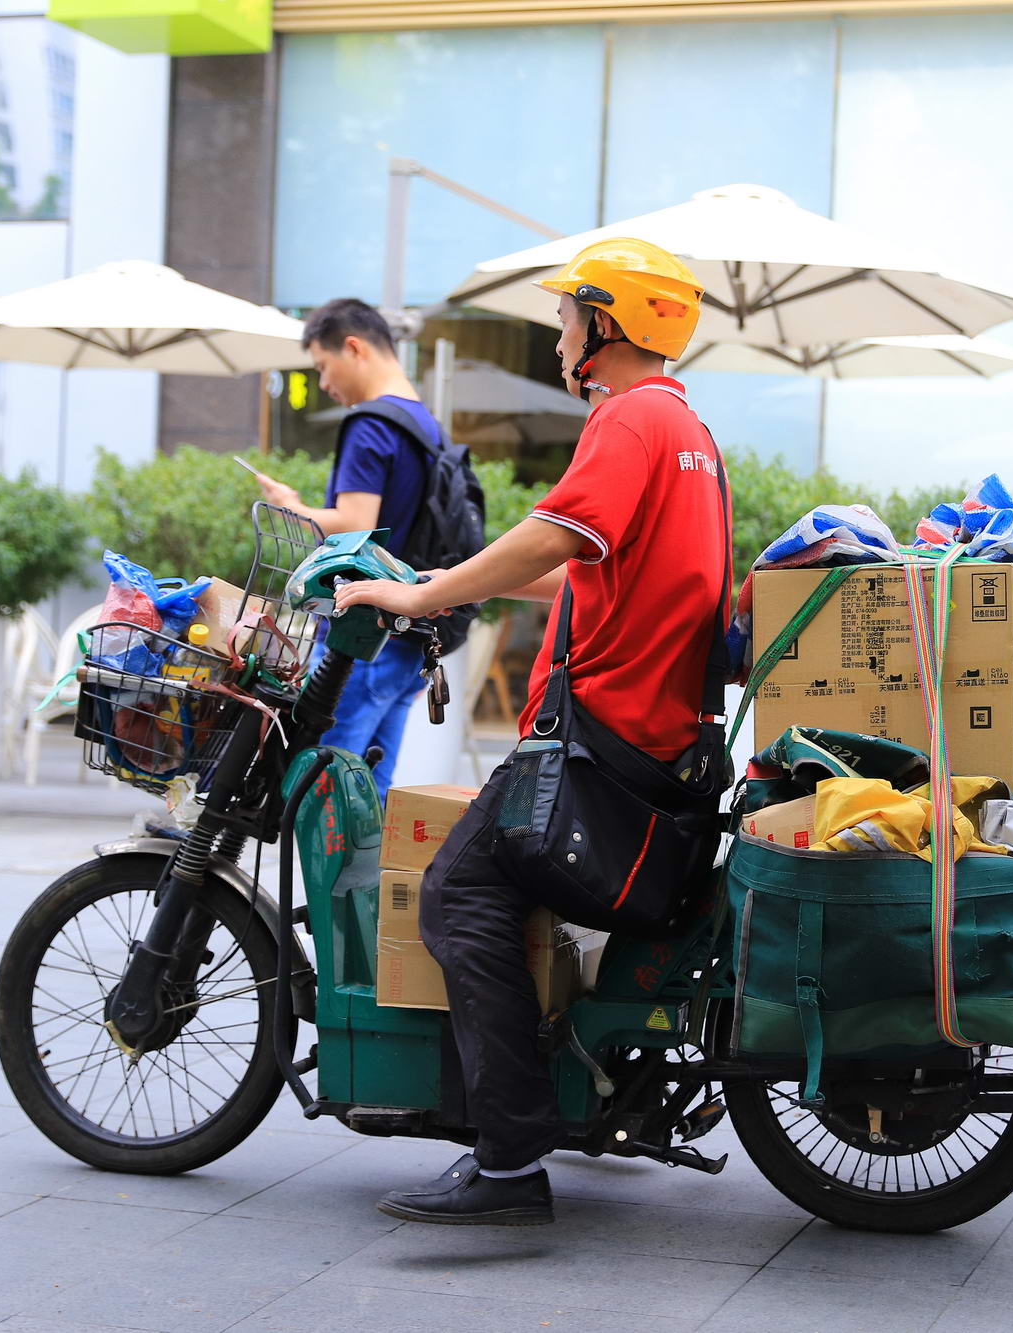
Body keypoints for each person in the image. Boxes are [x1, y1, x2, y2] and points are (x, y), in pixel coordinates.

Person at [330, 237, 723, 1226]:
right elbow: (582, 564)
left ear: (608, 325)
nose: (558, 337)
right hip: (653, 742)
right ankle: (550, 1092)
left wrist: (422, 592)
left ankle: (507, 1157)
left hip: (605, 744)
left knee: (458, 887)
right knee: (483, 881)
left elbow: (553, 535)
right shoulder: (687, 431)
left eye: (567, 320)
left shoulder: (628, 419)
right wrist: (460, 578)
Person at [252, 298, 438, 790]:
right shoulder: (426, 426)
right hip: (408, 637)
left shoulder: (370, 424)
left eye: (322, 366)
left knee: (325, 794)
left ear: (353, 347)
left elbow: (355, 523)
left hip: (360, 634)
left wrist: (293, 507)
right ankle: (372, 873)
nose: (324, 383)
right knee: (369, 795)